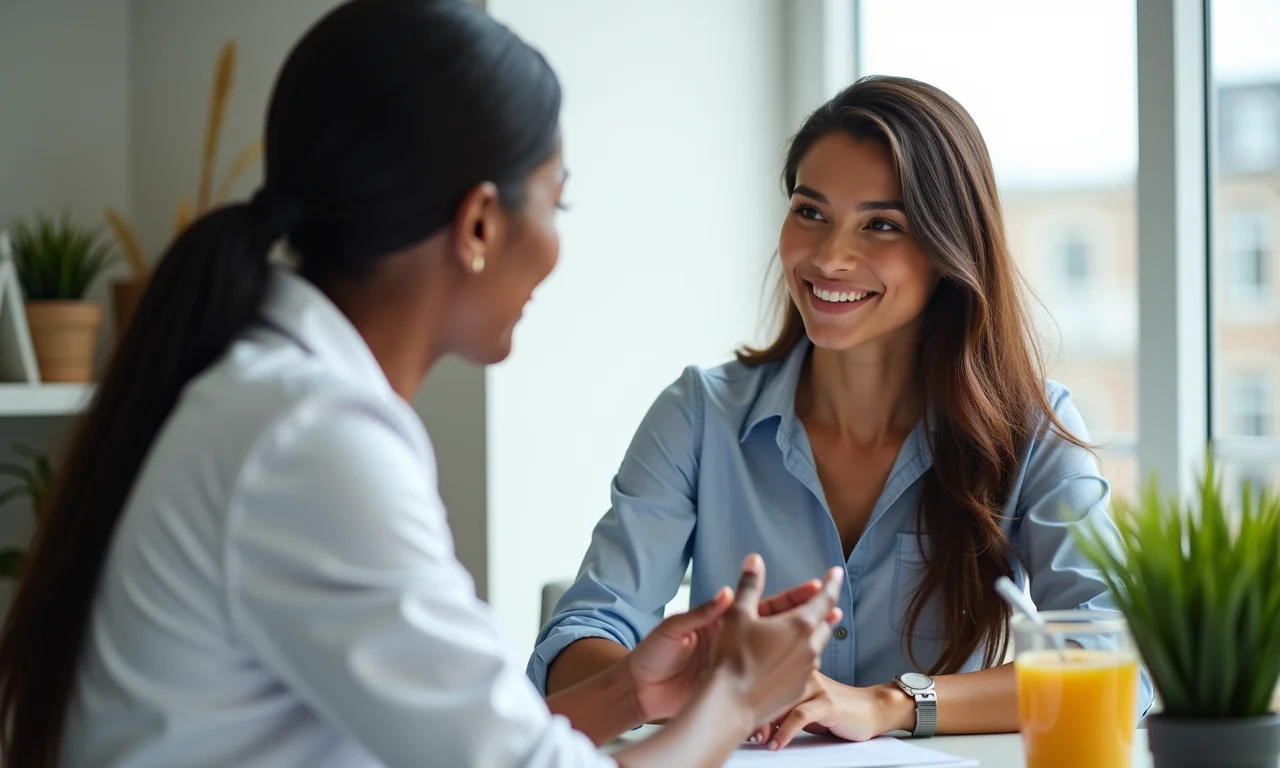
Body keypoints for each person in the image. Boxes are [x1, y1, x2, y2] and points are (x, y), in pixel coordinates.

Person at [0, 2, 848, 766]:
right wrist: (739, 697)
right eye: (559, 204)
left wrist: (629, 693)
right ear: (479, 222)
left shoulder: (270, 394)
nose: (556, 249)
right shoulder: (313, 440)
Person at [532, 75, 1155, 750]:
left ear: (950, 251)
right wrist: (697, 681)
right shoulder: (699, 415)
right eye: (810, 212)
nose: (830, 257)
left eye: (881, 225)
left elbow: (1119, 664)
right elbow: (575, 645)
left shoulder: (1028, 430)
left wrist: (891, 703)